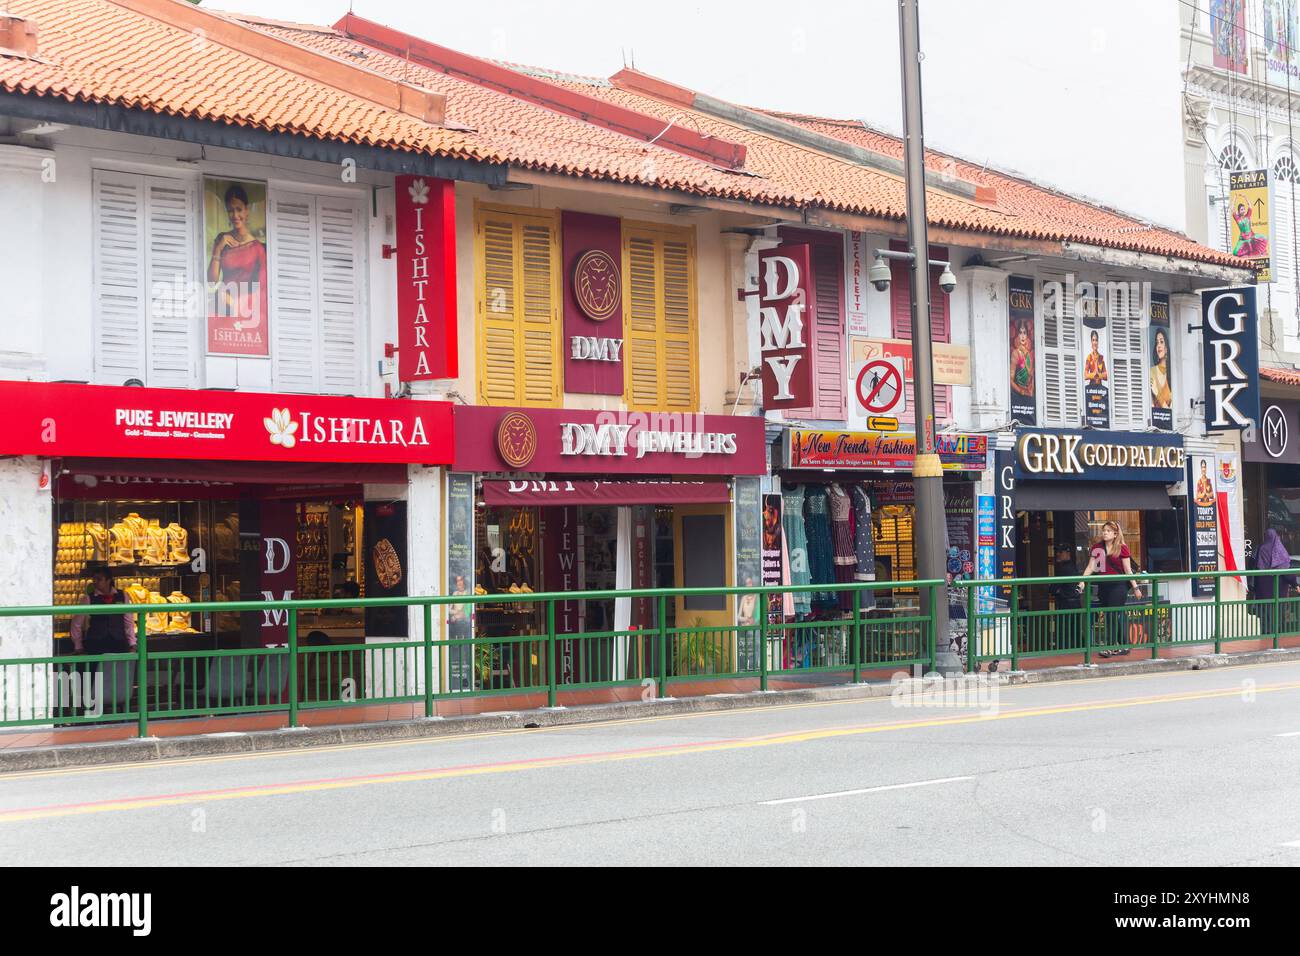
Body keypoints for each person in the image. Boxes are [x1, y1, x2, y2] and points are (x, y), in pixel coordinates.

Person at [207, 183, 268, 336]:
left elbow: (262, 288)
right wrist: (218, 249)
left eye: (239, 209)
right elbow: (211, 281)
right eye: (230, 211)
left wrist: (236, 303)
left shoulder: (259, 248)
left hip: (246, 310)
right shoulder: (222, 240)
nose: (235, 215)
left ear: (247, 211)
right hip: (220, 306)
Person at [1077, 521, 1142, 657]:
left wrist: (1135, 588)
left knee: (1111, 615)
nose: (1105, 533)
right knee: (1111, 615)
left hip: (1118, 586)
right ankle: (1124, 644)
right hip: (1103, 586)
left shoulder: (1121, 548)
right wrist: (1082, 581)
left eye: (1108, 531)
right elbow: (1091, 567)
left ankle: (1110, 647)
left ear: (1115, 534)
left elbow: (1128, 570)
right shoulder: (1097, 547)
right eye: (1104, 530)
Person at [1254, 528, 1296, 634]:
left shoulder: (1260, 549)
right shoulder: (1280, 550)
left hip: (1263, 592)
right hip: (1279, 591)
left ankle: (1267, 634)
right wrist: (1295, 584)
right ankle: (1276, 635)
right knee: (1278, 614)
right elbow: (1286, 572)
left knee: (1265, 614)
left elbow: (1253, 566)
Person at [1048, 544, 1082, 649]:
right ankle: (1075, 648)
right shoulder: (1072, 566)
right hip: (1075, 602)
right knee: (1074, 629)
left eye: (1060, 552)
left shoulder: (1064, 568)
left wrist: (1057, 591)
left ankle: (1066, 650)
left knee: (1065, 630)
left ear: (1067, 553)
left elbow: (1053, 588)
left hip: (1067, 603)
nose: (1058, 554)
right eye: (1057, 552)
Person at [1149, 327, 1172, 409]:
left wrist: (1158, 394)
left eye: (1161, 342)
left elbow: (1170, 410)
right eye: (1157, 342)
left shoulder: (1172, 373)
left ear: (1166, 348)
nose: (1158, 345)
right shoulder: (1152, 372)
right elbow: (1150, 405)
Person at [1010, 321, 1034, 396]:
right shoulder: (1015, 353)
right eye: (1020, 333)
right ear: (1018, 335)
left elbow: (1032, 376)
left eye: (1025, 333)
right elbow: (1010, 380)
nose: (1023, 336)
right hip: (1019, 395)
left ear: (1027, 335)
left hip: (1029, 395)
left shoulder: (1029, 354)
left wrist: (1031, 390)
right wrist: (1021, 391)